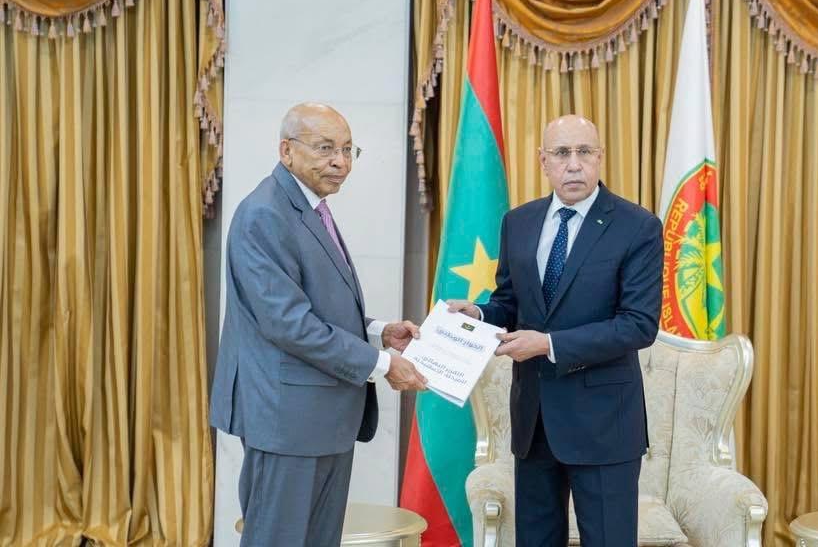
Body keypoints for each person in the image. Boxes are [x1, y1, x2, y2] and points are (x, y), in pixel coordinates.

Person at [210, 103, 427, 546]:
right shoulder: (265, 214)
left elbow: (314, 307)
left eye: (348, 150)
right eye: (325, 148)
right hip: (287, 420)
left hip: (322, 419)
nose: (340, 162)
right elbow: (289, 324)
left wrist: (378, 333)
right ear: (286, 151)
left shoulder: (310, 208)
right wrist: (383, 365)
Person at [448, 114, 664, 546]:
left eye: (585, 152)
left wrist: (548, 344)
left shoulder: (637, 226)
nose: (574, 164)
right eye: (562, 153)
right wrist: (479, 314)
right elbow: (511, 303)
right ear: (543, 161)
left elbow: (638, 325)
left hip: (604, 426)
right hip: (535, 422)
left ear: (600, 158)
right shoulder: (518, 222)